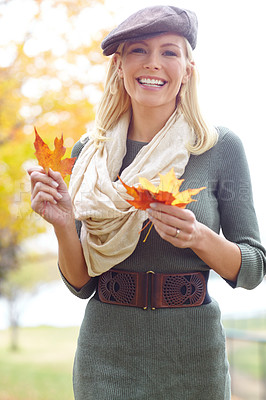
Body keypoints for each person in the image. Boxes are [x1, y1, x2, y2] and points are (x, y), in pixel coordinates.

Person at [28, 5, 266, 400]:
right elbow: (81, 284)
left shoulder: (219, 147)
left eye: (169, 52)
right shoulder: (91, 154)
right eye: (138, 50)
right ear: (119, 66)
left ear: (187, 68)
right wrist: (63, 223)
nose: (153, 63)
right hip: (105, 356)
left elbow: (254, 269)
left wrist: (199, 237)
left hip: (194, 359)